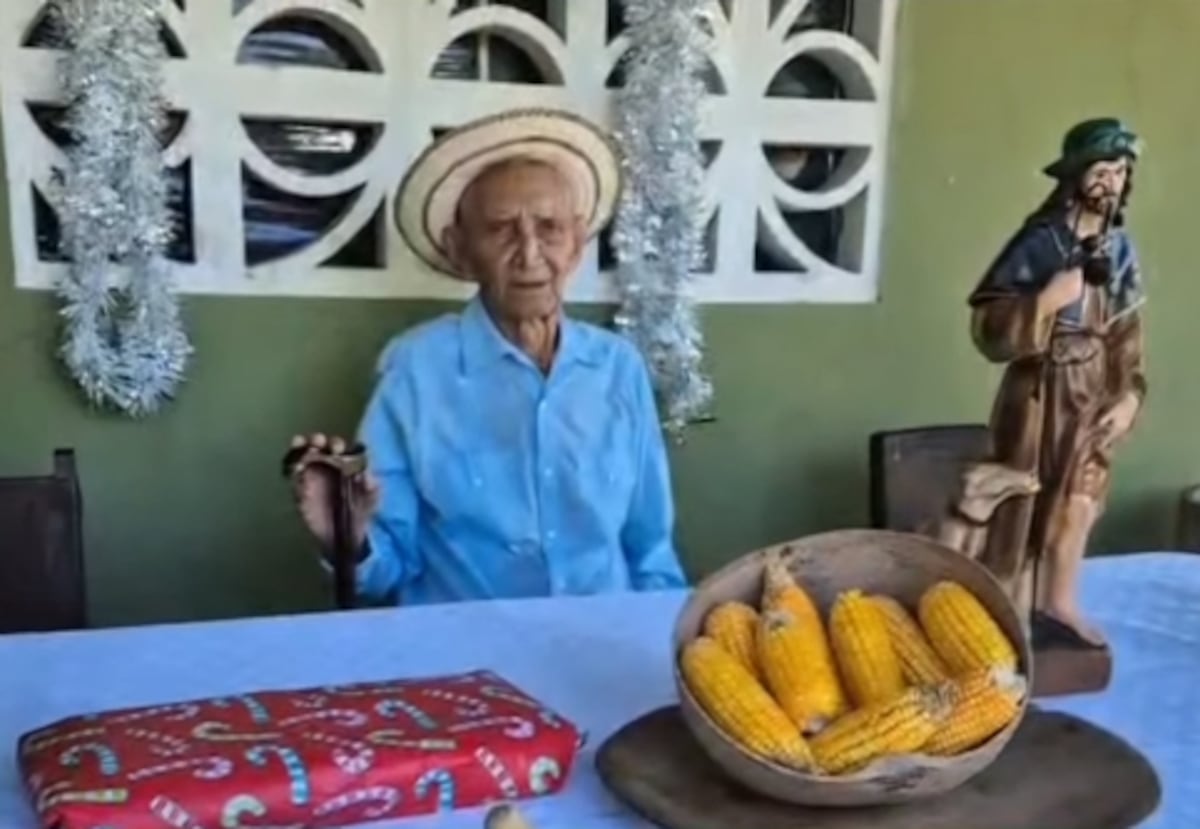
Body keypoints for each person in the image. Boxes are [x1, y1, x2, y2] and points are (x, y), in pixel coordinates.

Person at [287, 108, 688, 605]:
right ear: (460, 250)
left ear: (579, 243)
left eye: (550, 228)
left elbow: (651, 555)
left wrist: (659, 638)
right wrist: (348, 538)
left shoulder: (618, 368)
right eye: (501, 229)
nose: (530, 253)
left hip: (599, 644)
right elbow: (387, 570)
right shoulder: (416, 371)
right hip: (467, 658)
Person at [967, 117, 1147, 648]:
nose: (1111, 182)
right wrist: (1043, 301)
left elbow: (1129, 334)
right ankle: (1011, 604)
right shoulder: (1039, 241)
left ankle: (1060, 601)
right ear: (1075, 175)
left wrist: (1131, 395)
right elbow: (989, 326)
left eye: (1120, 171)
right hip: (1041, 391)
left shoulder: (1119, 251)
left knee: (1081, 500)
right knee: (1026, 494)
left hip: (1095, 390)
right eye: (1101, 169)